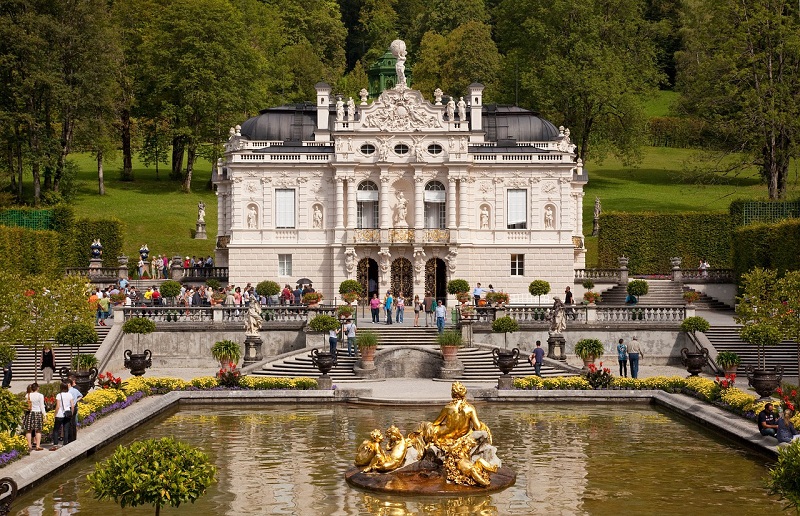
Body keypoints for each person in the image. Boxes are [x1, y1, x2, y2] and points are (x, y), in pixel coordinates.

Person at [51, 382, 74, 450]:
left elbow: (58, 406)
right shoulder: (69, 395)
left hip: (60, 414)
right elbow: (72, 406)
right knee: (66, 429)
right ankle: (65, 443)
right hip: (67, 414)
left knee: (56, 430)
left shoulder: (59, 395)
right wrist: (71, 413)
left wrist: (55, 414)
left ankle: (55, 444)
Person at [25, 383, 46, 451]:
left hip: (29, 413)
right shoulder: (40, 395)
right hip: (37, 413)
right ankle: (38, 445)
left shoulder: (27, 395)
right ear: (37, 388)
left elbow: (25, 405)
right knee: (38, 430)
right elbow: (42, 406)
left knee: (28, 430)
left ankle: (29, 445)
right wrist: (44, 414)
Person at [67, 376, 83, 443]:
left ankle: (70, 439)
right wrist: (76, 400)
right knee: (73, 423)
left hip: (71, 407)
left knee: (70, 424)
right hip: (74, 407)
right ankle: (74, 438)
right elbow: (81, 395)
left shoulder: (69, 391)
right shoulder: (75, 390)